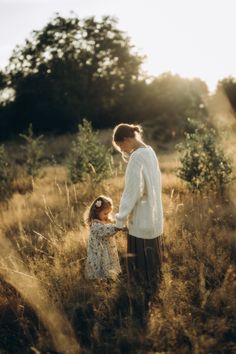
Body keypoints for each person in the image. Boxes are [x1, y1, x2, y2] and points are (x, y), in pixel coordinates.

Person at [112, 123, 164, 294]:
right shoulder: (150, 151)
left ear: (127, 139)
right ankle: (154, 290)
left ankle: (142, 295)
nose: (122, 150)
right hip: (154, 217)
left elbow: (132, 191)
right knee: (153, 264)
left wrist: (120, 218)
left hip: (141, 218)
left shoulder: (137, 157)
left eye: (121, 146)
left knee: (140, 270)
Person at [84, 195, 122, 280]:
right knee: (100, 266)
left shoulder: (105, 220)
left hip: (107, 251)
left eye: (109, 213)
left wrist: (119, 224)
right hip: (99, 252)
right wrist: (116, 228)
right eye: (105, 213)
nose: (107, 215)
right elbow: (105, 230)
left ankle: (108, 279)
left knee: (108, 264)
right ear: (97, 212)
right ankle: (100, 281)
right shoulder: (95, 224)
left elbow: (112, 223)